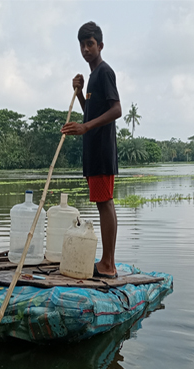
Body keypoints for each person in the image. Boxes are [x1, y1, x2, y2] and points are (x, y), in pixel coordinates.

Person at [60, 21, 122, 279]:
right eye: (82, 45)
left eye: (90, 44)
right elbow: (91, 112)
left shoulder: (104, 72)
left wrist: (85, 129)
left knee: (105, 203)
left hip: (102, 150)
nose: (86, 49)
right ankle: (107, 262)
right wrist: (79, 92)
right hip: (93, 151)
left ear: (100, 45)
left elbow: (117, 110)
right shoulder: (93, 78)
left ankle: (108, 264)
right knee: (101, 202)